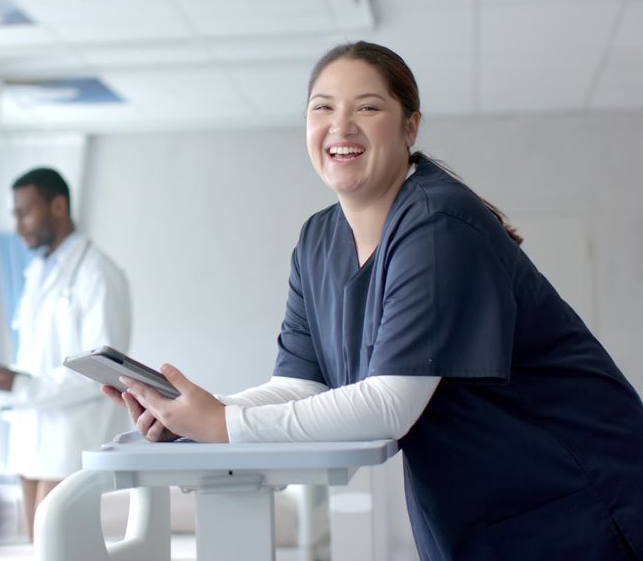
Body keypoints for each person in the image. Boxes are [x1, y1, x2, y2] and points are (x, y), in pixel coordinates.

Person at [105, 41, 643, 560]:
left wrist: (221, 425)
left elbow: (389, 405)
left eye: (367, 107)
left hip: (582, 491)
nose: (341, 126)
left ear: (410, 126)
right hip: (483, 504)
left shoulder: (436, 223)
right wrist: (196, 414)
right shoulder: (318, 240)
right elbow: (298, 385)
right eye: (323, 108)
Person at [0, 167, 132, 541]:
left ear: (58, 206)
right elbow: (37, 359)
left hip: (71, 436)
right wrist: (0, 381)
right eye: (15, 215)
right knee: (36, 546)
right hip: (32, 434)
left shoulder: (98, 275)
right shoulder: (37, 273)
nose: (19, 225)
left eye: (26, 212)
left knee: (61, 548)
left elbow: (102, 370)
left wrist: (21, 387)